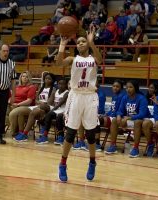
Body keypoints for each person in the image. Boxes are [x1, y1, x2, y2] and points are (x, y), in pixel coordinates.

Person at [55, 25, 102, 182]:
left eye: (84, 41)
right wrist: (62, 45)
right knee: (70, 133)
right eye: (79, 42)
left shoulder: (92, 59)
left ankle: (92, 162)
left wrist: (92, 42)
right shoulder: (73, 59)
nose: (81, 43)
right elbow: (59, 63)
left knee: (90, 134)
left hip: (90, 96)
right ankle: (62, 164)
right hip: (75, 96)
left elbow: (100, 61)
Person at [105, 80, 149, 158]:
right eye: (127, 87)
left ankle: (135, 148)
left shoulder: (141, 98)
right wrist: (118, 115)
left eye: (130, 87)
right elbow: (120, 110)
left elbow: (142, 114)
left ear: (135, 88)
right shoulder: (125, 97)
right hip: (130, 120)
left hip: (141, 120)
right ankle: (113, 145)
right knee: (115, 120)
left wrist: (129, 117)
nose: (128, 89)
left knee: (137, 122)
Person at [13, 72, 56, 141]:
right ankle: (21, 132)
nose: (47, 80)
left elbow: (49, 102)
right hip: (38, 106)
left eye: (49, 79)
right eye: (46, 78)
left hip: (48, 108)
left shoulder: (53, 89)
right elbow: (35, 100)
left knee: (36, 111)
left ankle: (25, 134)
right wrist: (40, 103)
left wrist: (41, 103)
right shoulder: (41, 88)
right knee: (21, 112)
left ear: (52, 80)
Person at [8, 71, 37, 137]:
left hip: (26, 106)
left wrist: (18, 104)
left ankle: (14, 132)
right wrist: (10, 101)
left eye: (27, 77)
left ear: (29, 78)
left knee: (14, 113)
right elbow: (11, 97)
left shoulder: (31, 87)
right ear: (20, 78)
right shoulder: (16, 87)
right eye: (23, 76)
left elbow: (29, 101)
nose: (25, 78)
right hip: (13, 105)